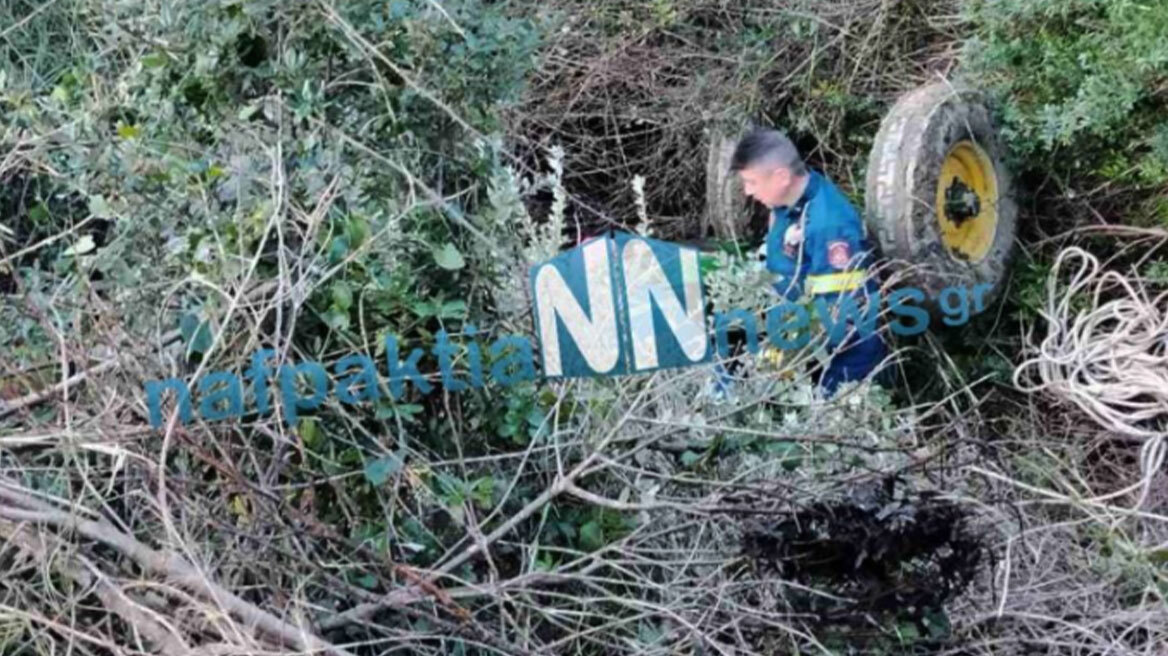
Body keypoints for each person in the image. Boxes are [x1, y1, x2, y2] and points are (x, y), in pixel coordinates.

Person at [730, 127, 888, 397]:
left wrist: (782, 353)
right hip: (802, 342)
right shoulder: (785, 204)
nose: (747, 191)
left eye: (751, 182)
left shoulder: (829, 225)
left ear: (781, 176)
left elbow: (841, 315)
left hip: (844, 365)